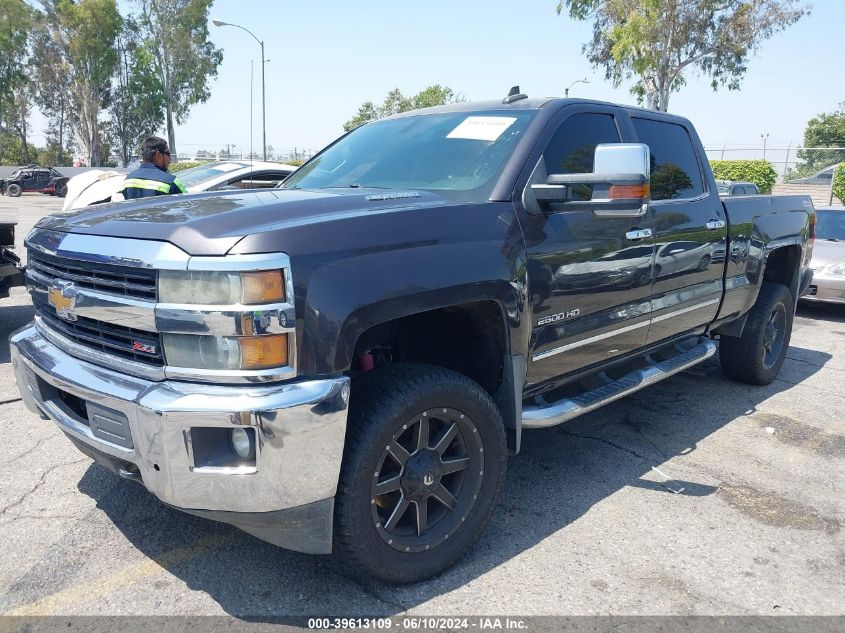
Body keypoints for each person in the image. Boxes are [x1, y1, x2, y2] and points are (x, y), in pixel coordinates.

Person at [121, 136, 187, 199]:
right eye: (168, 154)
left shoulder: (128, 180)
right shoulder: (171, 181)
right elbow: (187, 204)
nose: (170, 159)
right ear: (158, 155)